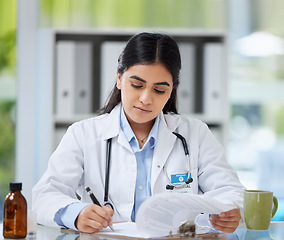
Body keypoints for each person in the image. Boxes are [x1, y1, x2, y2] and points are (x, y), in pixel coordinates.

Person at [32, 32, 245, 234]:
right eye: (136, 85)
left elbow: (231, 190)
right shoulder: (82, 134)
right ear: (119, 78)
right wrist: (76, 214)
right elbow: (45, 196)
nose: (146, 98)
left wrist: (227, 210)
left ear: (172, 90)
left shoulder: (195, 134)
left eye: (159, 90)